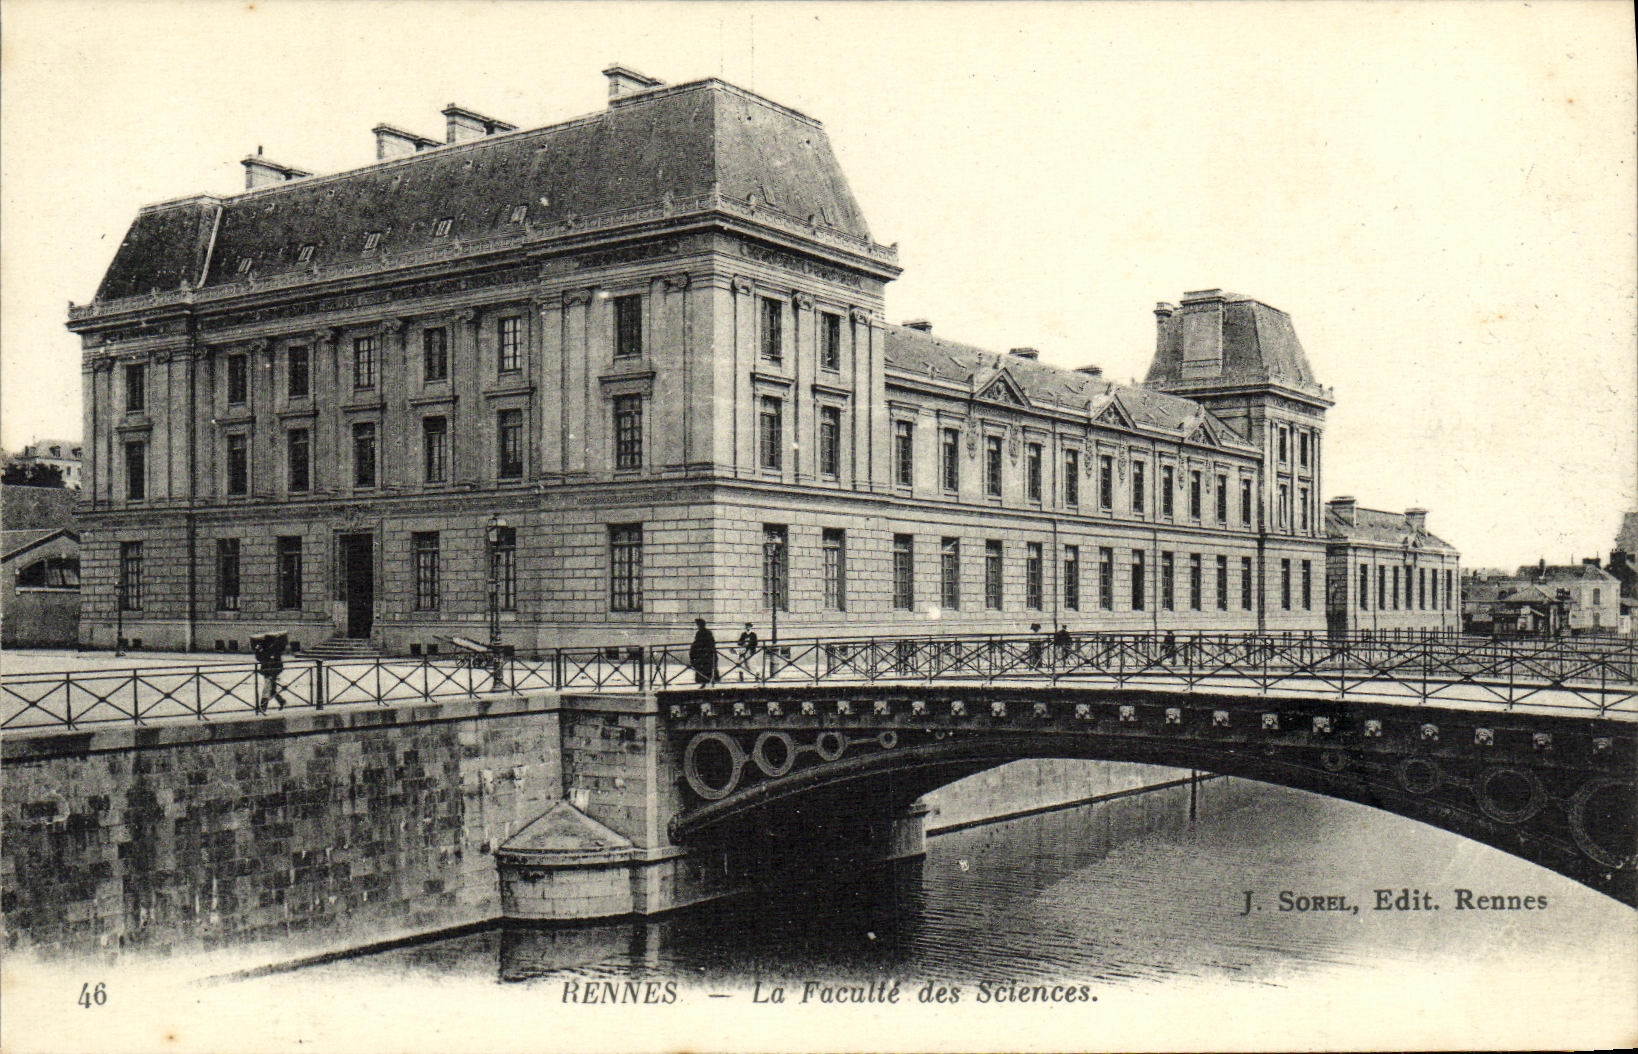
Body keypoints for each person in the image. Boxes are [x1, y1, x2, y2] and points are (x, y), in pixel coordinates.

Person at [250, 631, 288, 713]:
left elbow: (261, 658)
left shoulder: (272, 649)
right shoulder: (272, 648)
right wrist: (258, 650)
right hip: (270, 670)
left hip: (271, 671)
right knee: (271, 689)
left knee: (267, 689)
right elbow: (260, 658)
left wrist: (258, 650)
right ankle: (281, 701)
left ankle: (263, 708)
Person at [689, 618, 718, 687]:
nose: (697, 626)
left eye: (698, 625)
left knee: (705, 668)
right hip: (702, 654)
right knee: (702, 669)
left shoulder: (705, 633)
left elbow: (709, 643)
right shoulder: (701, 632)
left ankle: (706, 682)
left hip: (705, 654)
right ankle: (705, 682)